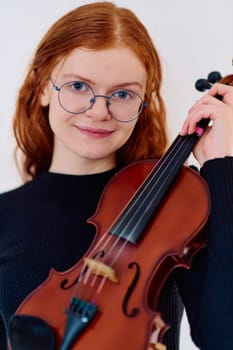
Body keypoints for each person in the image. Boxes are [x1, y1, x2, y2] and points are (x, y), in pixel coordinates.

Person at [0, 2, 233, 349]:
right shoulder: (5, 215)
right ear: (44, 87)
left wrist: (223, 163)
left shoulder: (177, 208)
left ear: (143, 102)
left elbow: (223, 337)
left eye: (122, 94)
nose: (98, 111)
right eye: (78, 86)